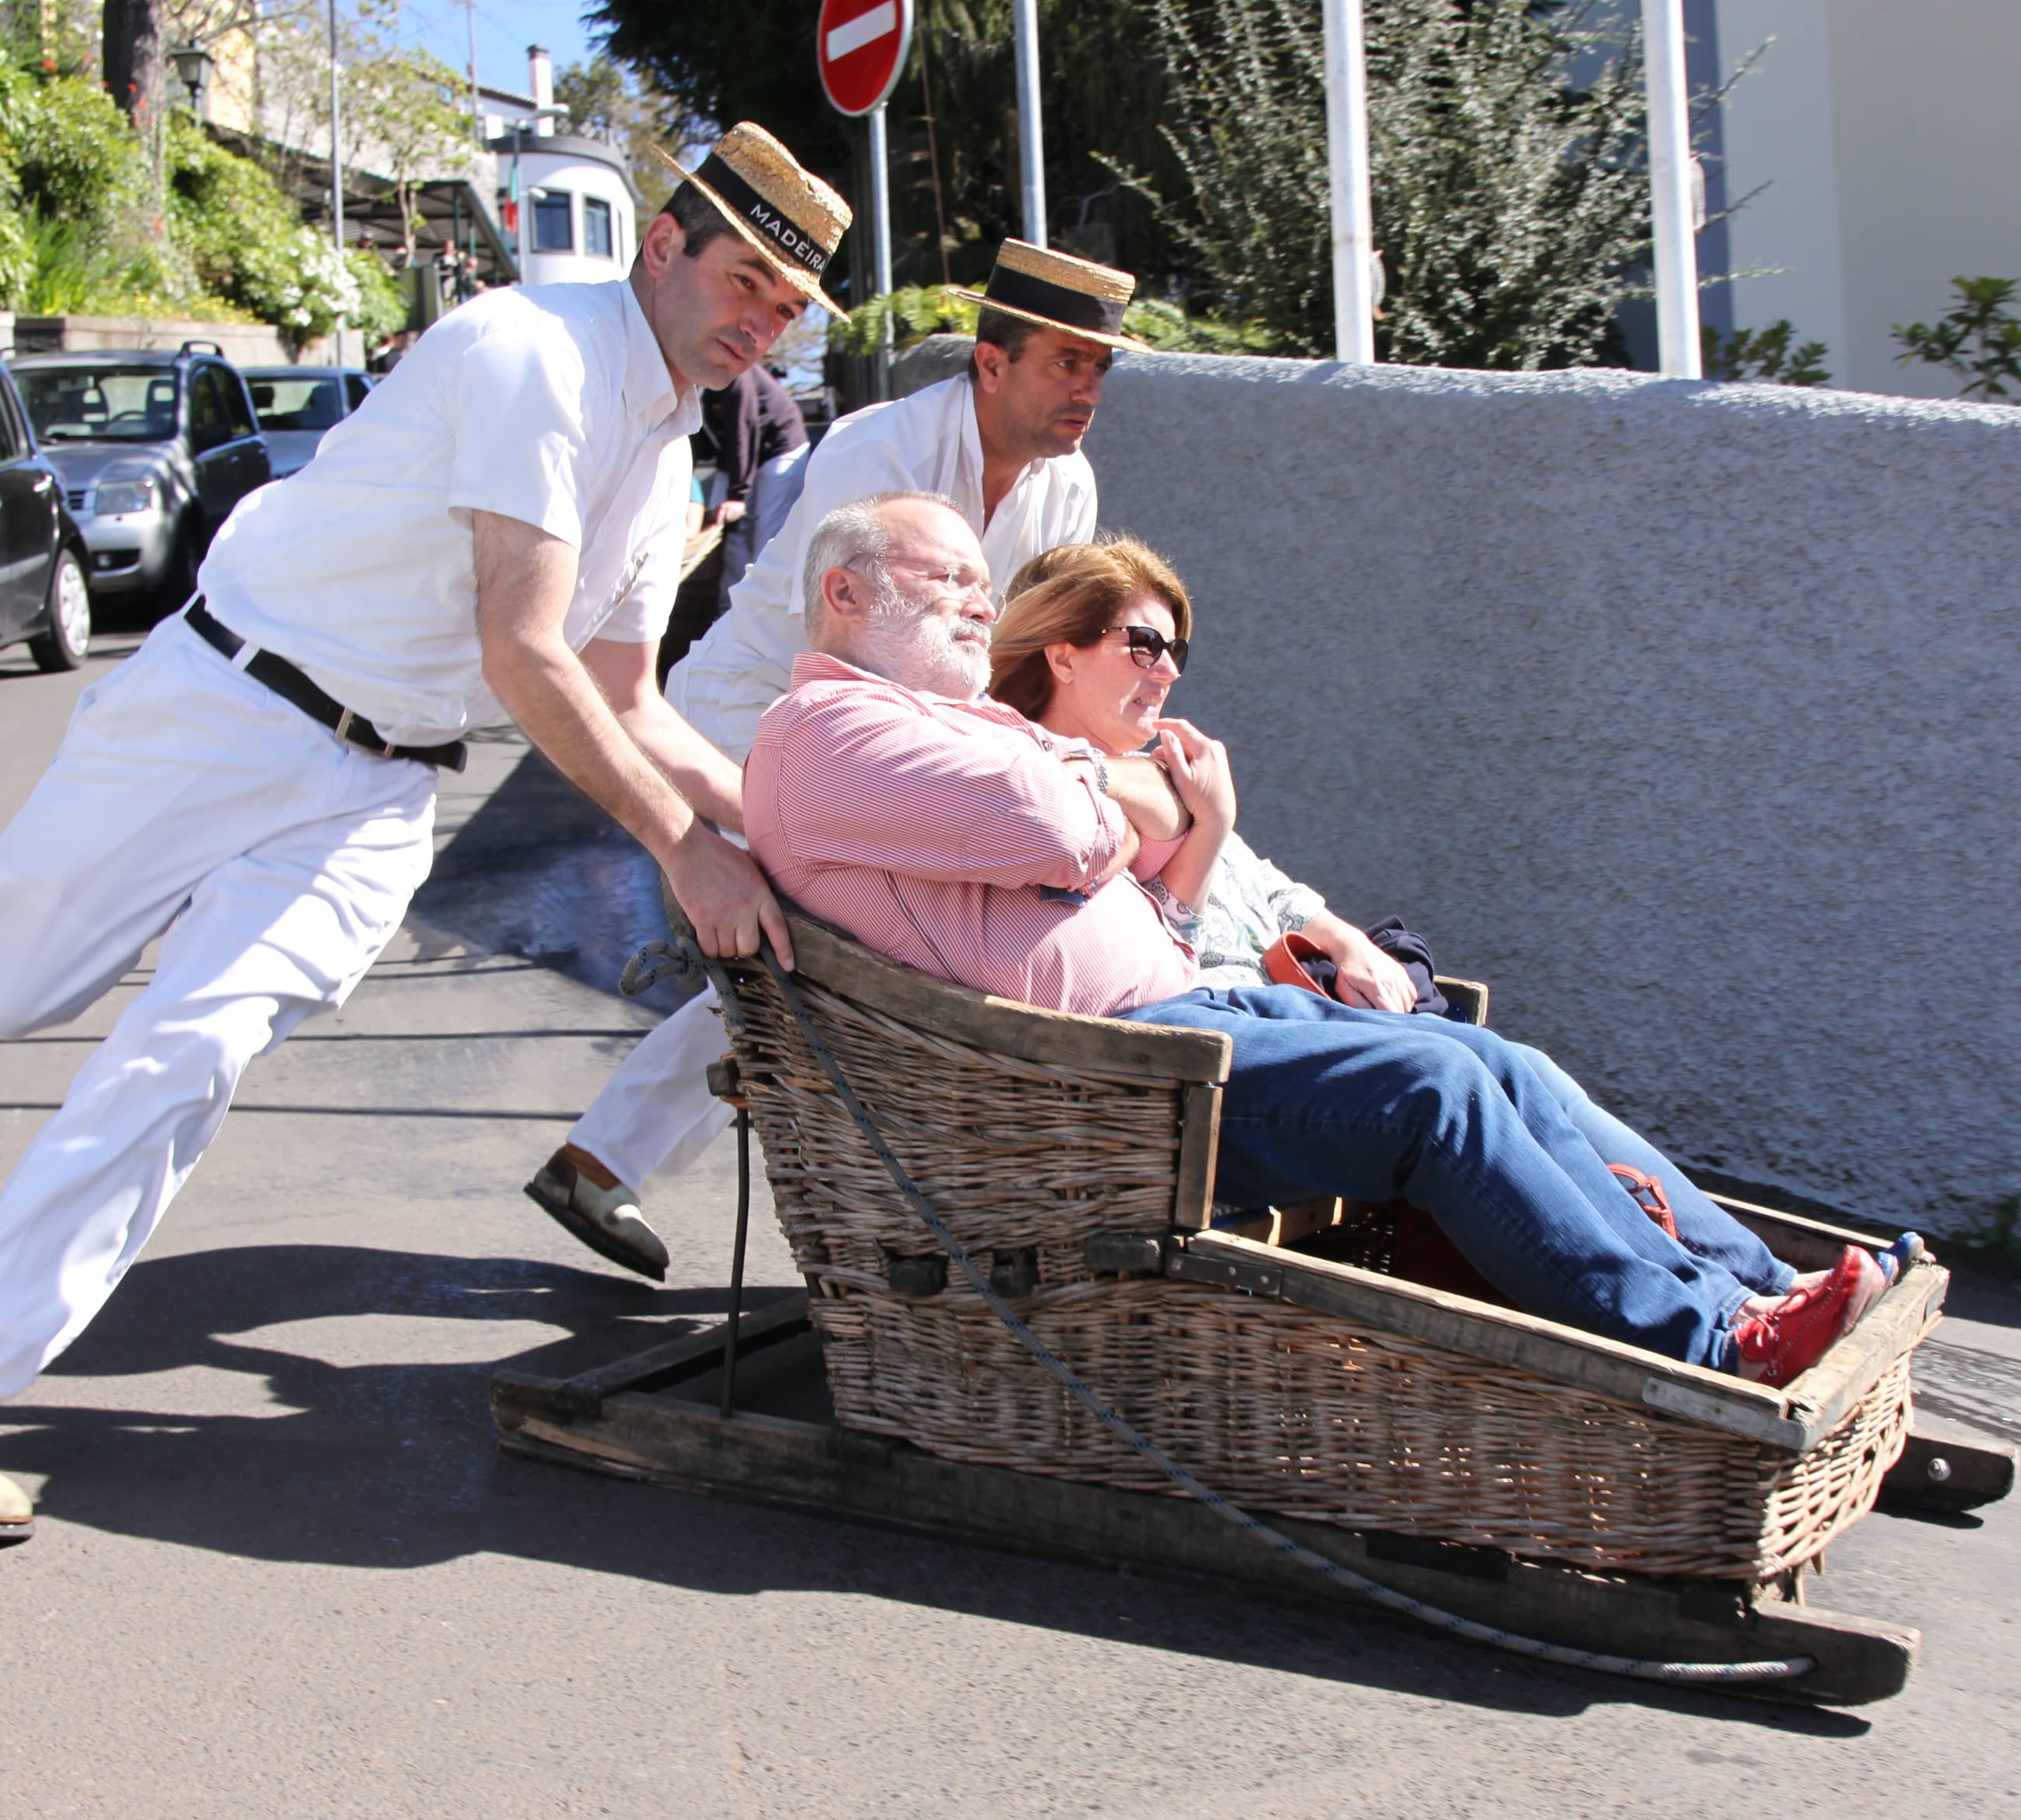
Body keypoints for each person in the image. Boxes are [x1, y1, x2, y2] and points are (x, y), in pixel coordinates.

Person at [0, 123, 850, 1545]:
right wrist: (676, 848)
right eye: (744, 279)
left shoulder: (662, 454)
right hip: (221, 704)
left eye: (784, 310)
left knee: (186, 1055)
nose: (757, 324)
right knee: (19, 982)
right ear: (662, 243)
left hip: (374, 789)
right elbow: (527, 652)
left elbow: (632, 698)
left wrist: (786, 826)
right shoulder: (536, 357)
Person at [740, 493, 1902, 1385]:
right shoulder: (824, 729)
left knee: (1496, 1060)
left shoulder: (955, 728)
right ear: (845, 594)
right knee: (1435, 1091)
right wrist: (1124, 793)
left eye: (984, 581)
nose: (979, 602)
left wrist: (1125, 803)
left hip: (1187, 1021)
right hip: (1112, 1079)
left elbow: (1105, 856)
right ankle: (1712, 1347)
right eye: (947, 575)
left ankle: (1758, 1286)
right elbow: (1057, 820)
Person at [528, 239, 1152, 1283]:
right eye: (1064, 362)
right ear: (991, 364)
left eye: (1100, 369)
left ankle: (604, 1160)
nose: (1086, 389)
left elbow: (1001, 650)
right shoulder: (883, 445)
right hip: (764, 716)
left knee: (808, 953)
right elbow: (867, 646)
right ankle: (642, 1168)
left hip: (889, 732)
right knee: (809, 945)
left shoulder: (1065, 485)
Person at [701, 360, 807, 594]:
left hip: (780, 450)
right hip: (732, 457)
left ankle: (768, 599)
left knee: (767, 532)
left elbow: (744, 431)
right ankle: (731, 606)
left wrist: (737, 495)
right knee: (729, 529)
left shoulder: (736, 374)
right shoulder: (698, 382)